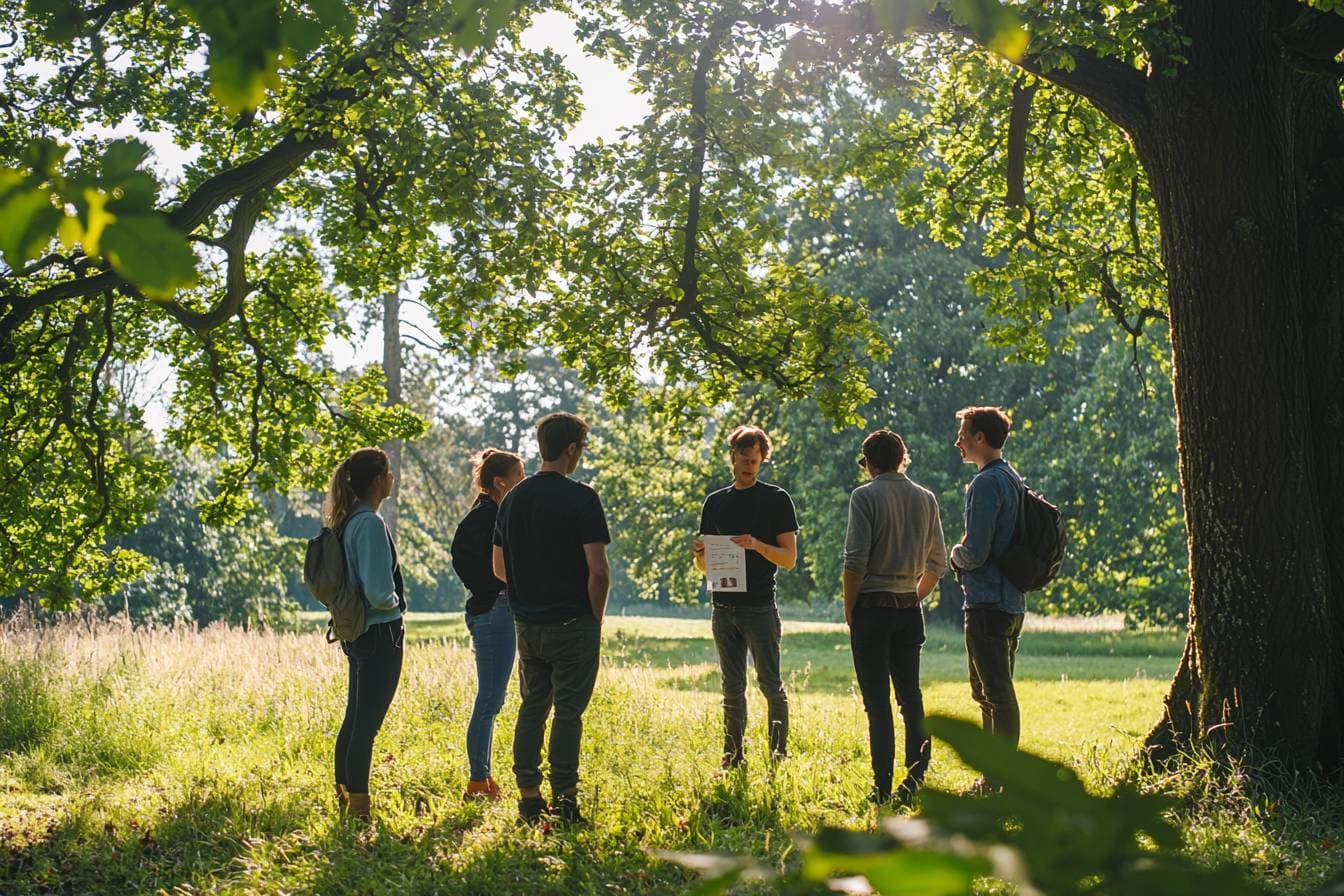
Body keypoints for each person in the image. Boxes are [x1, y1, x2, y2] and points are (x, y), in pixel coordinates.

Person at [493, 413, 610, 824]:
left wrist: (531, 588)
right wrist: (595, 618)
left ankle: (528, 796)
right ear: (571, 450)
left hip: (527, 624)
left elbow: (498, 566)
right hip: (573, 622)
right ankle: (565, 800)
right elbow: (598, 570)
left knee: (532, 707)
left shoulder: (512, 500)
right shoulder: (582, 498)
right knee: (568, 712)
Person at [842, 430, 946, 806]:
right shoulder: (926, 498)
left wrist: (850, 607)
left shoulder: (864, 497)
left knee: (877, 702)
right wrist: (913, 594)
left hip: (872, 607)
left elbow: (855, 561)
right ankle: (917, 773)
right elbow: (938, 563)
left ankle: (882, 785)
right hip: (908, 608)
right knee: (911, 697)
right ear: (903, 457)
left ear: (868, 462)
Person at [693, 425, 798, 768]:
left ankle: (778, 755)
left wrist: (757, 546)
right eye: (744, 459)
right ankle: (733, 756)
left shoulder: (777, 500)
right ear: (732, 456)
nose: (749, 467)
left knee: (770, 683)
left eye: (755, 461)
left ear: (762, 460)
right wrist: (699, 554)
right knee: (731, 687)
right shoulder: (715, 502)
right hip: (722, 606)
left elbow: (789, 558)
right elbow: (703, 567)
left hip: (759, 606)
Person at [325, 446, 405, 822]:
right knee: (366, 727)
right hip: (379, 632)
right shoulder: (370, 523)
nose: (392, 478)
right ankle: (359, 809)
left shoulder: (347, 521)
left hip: (356, 632)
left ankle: (345, 796)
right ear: (377, 480)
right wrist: (397, 605)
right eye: (388, 473)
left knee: (354, 720)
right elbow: (378, 591)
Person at [950, 406, 1026, 758]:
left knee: (994, 693)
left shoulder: (984, 483)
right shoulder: (1012, 477)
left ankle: (1001, 777)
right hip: (1010, 600)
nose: (958, 443)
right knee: (991, 691)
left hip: (986, 603)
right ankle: (994, 773)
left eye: (963, 436)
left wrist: (954, 555)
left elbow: (976, 551)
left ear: (980, 437)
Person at [451, 448, 525, 801]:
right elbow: (463, 559)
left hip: (495, 608)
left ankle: (483, 777)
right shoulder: (485, 518)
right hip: (493, 610)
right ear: (499, 482)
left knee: (493, 698)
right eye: (519, 477)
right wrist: (495, 587)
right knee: (490, 698)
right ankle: (478, 781)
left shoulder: (495, 514)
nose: (523, 483)